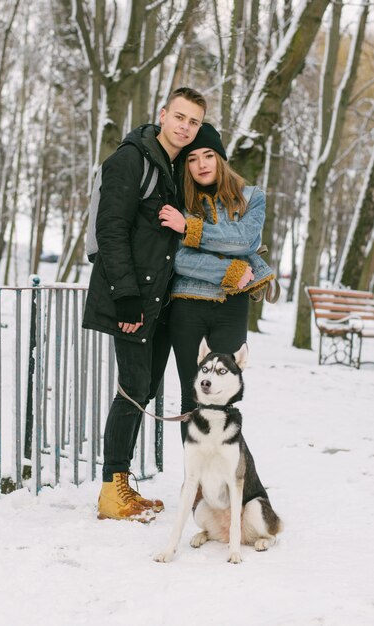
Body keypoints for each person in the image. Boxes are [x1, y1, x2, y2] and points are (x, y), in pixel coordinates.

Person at [82, 87, 207, 522]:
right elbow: (112, 230)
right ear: (163, 114)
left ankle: (121, 486)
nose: (185, 127)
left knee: (141, 390)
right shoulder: (131, 159)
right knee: (133, 387)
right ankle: (111, 490)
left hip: (157, 301)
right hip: (132, 299)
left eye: (193, 122)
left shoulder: (171, 167)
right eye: (180, 117)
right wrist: (127, 299)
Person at [158, 123, 275, 438]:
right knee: (192, 395)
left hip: (230, 308)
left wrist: (191, 230)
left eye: (208, 155)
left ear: (221, 158)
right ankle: (195, 484)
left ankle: (224, 477)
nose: (201, 164)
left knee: (225, 396)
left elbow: (244, 241)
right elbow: (176, 258)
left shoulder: (250, 197)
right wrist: (227, 272)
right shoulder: (179, 200)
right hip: (186, 307)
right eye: (192, 159)